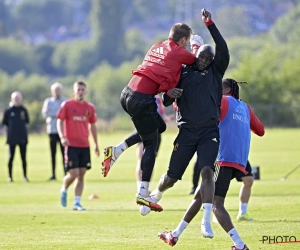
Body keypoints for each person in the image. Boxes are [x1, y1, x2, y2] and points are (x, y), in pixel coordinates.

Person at [101, 15, 204, 211]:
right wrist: (197, 45)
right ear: (183, 41)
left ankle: (118, 149)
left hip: (128, 93)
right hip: (142, 98)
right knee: (152, 142)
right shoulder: (178, 52)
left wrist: (167, 91)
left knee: (160, 126)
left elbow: (160, 74)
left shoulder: (157, 45)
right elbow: (197, 62)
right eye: (187, 43)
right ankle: (142, 193)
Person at [147, 9, 229, 239]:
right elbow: (165, 98)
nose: (204, 61)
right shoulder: (183, 71)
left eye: (208, 59)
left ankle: (205, 221)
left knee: (206, 171)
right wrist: (170, 94)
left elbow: (222, 47)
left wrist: (210, 24)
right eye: (201, 56)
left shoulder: (215, 72)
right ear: (196, 55)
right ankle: (156, 193)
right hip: (185, 132)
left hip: (209, 131)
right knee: (171, 178)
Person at [158, 78, 265, 250]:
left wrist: (178, 103)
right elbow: (261, 130)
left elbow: (197, 109)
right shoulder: (245, 107)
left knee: (216, 205)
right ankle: (174, 235)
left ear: (227, 89)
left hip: (221, 158)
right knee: (199, 197)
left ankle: (240, 245)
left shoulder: (222, 101)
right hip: (239, 160)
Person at [57, 81, 99, 211]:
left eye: (82, 90)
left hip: (84, 145)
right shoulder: (67, 105)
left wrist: (96, 144)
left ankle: (77, 202)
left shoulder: (89, 108)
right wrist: (63, 137)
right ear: (74, 91)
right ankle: (64, 188)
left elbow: (92, 126)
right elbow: (59, 121)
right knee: (73, 173)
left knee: (81, 174)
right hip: (71, 145)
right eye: (78, 90)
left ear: (85, 92)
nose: (80, 92)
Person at [191, 158, 256, 221]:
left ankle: (242, 213)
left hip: (239, 155)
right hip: (224, 157)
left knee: (248, 180)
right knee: (218, 183)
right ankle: (216, 212)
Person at [135, 95, 174, 192]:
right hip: (144, 130)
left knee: (151, 160)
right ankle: (140, 186)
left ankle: (146, 186)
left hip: (156, 133)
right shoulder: (141, 96)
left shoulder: (158, 100)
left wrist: (167, 118)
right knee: (141, 159)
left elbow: (161, 115)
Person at [2, 92, 29, 182]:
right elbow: (4, 123)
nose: (17, 100)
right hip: (12, 138)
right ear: (12, 99)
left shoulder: (23, 110)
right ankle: (10, 177)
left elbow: (27, 121)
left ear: (21, 99)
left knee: (23, 158)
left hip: (22, 138)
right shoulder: (8, 110)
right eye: (15, 98)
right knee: (11, 158)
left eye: (18, 98)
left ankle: (25, 177)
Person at [42, 82, 67, 181]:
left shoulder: (65, 101)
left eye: (58, 90)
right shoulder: (48, 101)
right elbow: (45, 113)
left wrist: (53, 113)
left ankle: (66, 173)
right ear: (52, 91)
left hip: (63, 132)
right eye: (55, 90)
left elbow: (65, 115)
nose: (57, 92)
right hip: (52, 131)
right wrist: (58, 113)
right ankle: (53, 174)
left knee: (64, 153)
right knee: (53, 153)